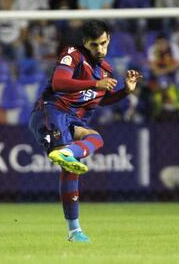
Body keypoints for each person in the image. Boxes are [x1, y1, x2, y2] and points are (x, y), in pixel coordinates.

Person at [28, 20, 142, 243]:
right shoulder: (73, 54)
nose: (100, 49)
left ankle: (75, 232)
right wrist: (94, 84)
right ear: (85, 43)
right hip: (52, 112)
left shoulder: (105, 69)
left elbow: (101, 99)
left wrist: (125, 92)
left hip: (71, 120)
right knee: (68, 160)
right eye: (94, 45)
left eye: (103, 43)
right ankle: (65, 153)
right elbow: (60, 82)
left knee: (92, 141)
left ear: (108, 38)